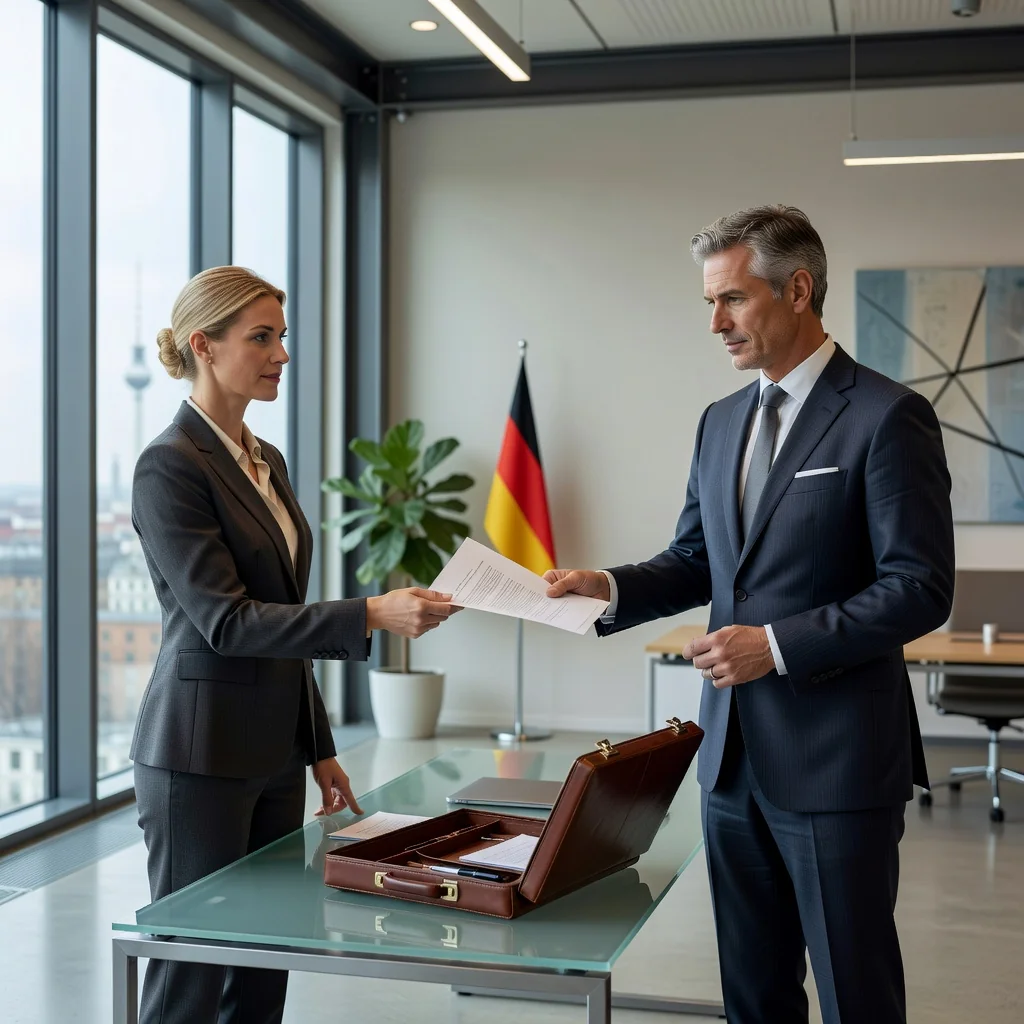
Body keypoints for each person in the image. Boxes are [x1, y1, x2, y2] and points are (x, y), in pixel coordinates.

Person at [545, 206, 954, 1024]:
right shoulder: (721, 420)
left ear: (797, 290)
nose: (715, 324)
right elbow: (697, 560)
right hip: (730, 766)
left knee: (855, 994)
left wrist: (776, 645)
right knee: (752, 997)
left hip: (838, 766)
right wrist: (609, 587)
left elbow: (919, 587)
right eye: (709, 303)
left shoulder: (886, 416)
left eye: (731, 300)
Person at [130, 265, 456, 1024]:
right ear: (204, 346)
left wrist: (318, 747)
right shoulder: (169, 465)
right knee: (190, 980)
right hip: (198, 759)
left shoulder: (263, 458)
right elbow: (228, 622)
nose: (281, 353)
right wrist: (371, 612)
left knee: (262, 968)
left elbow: (282, 615)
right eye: (262, 337)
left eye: (283, 336)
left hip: (273, 754)